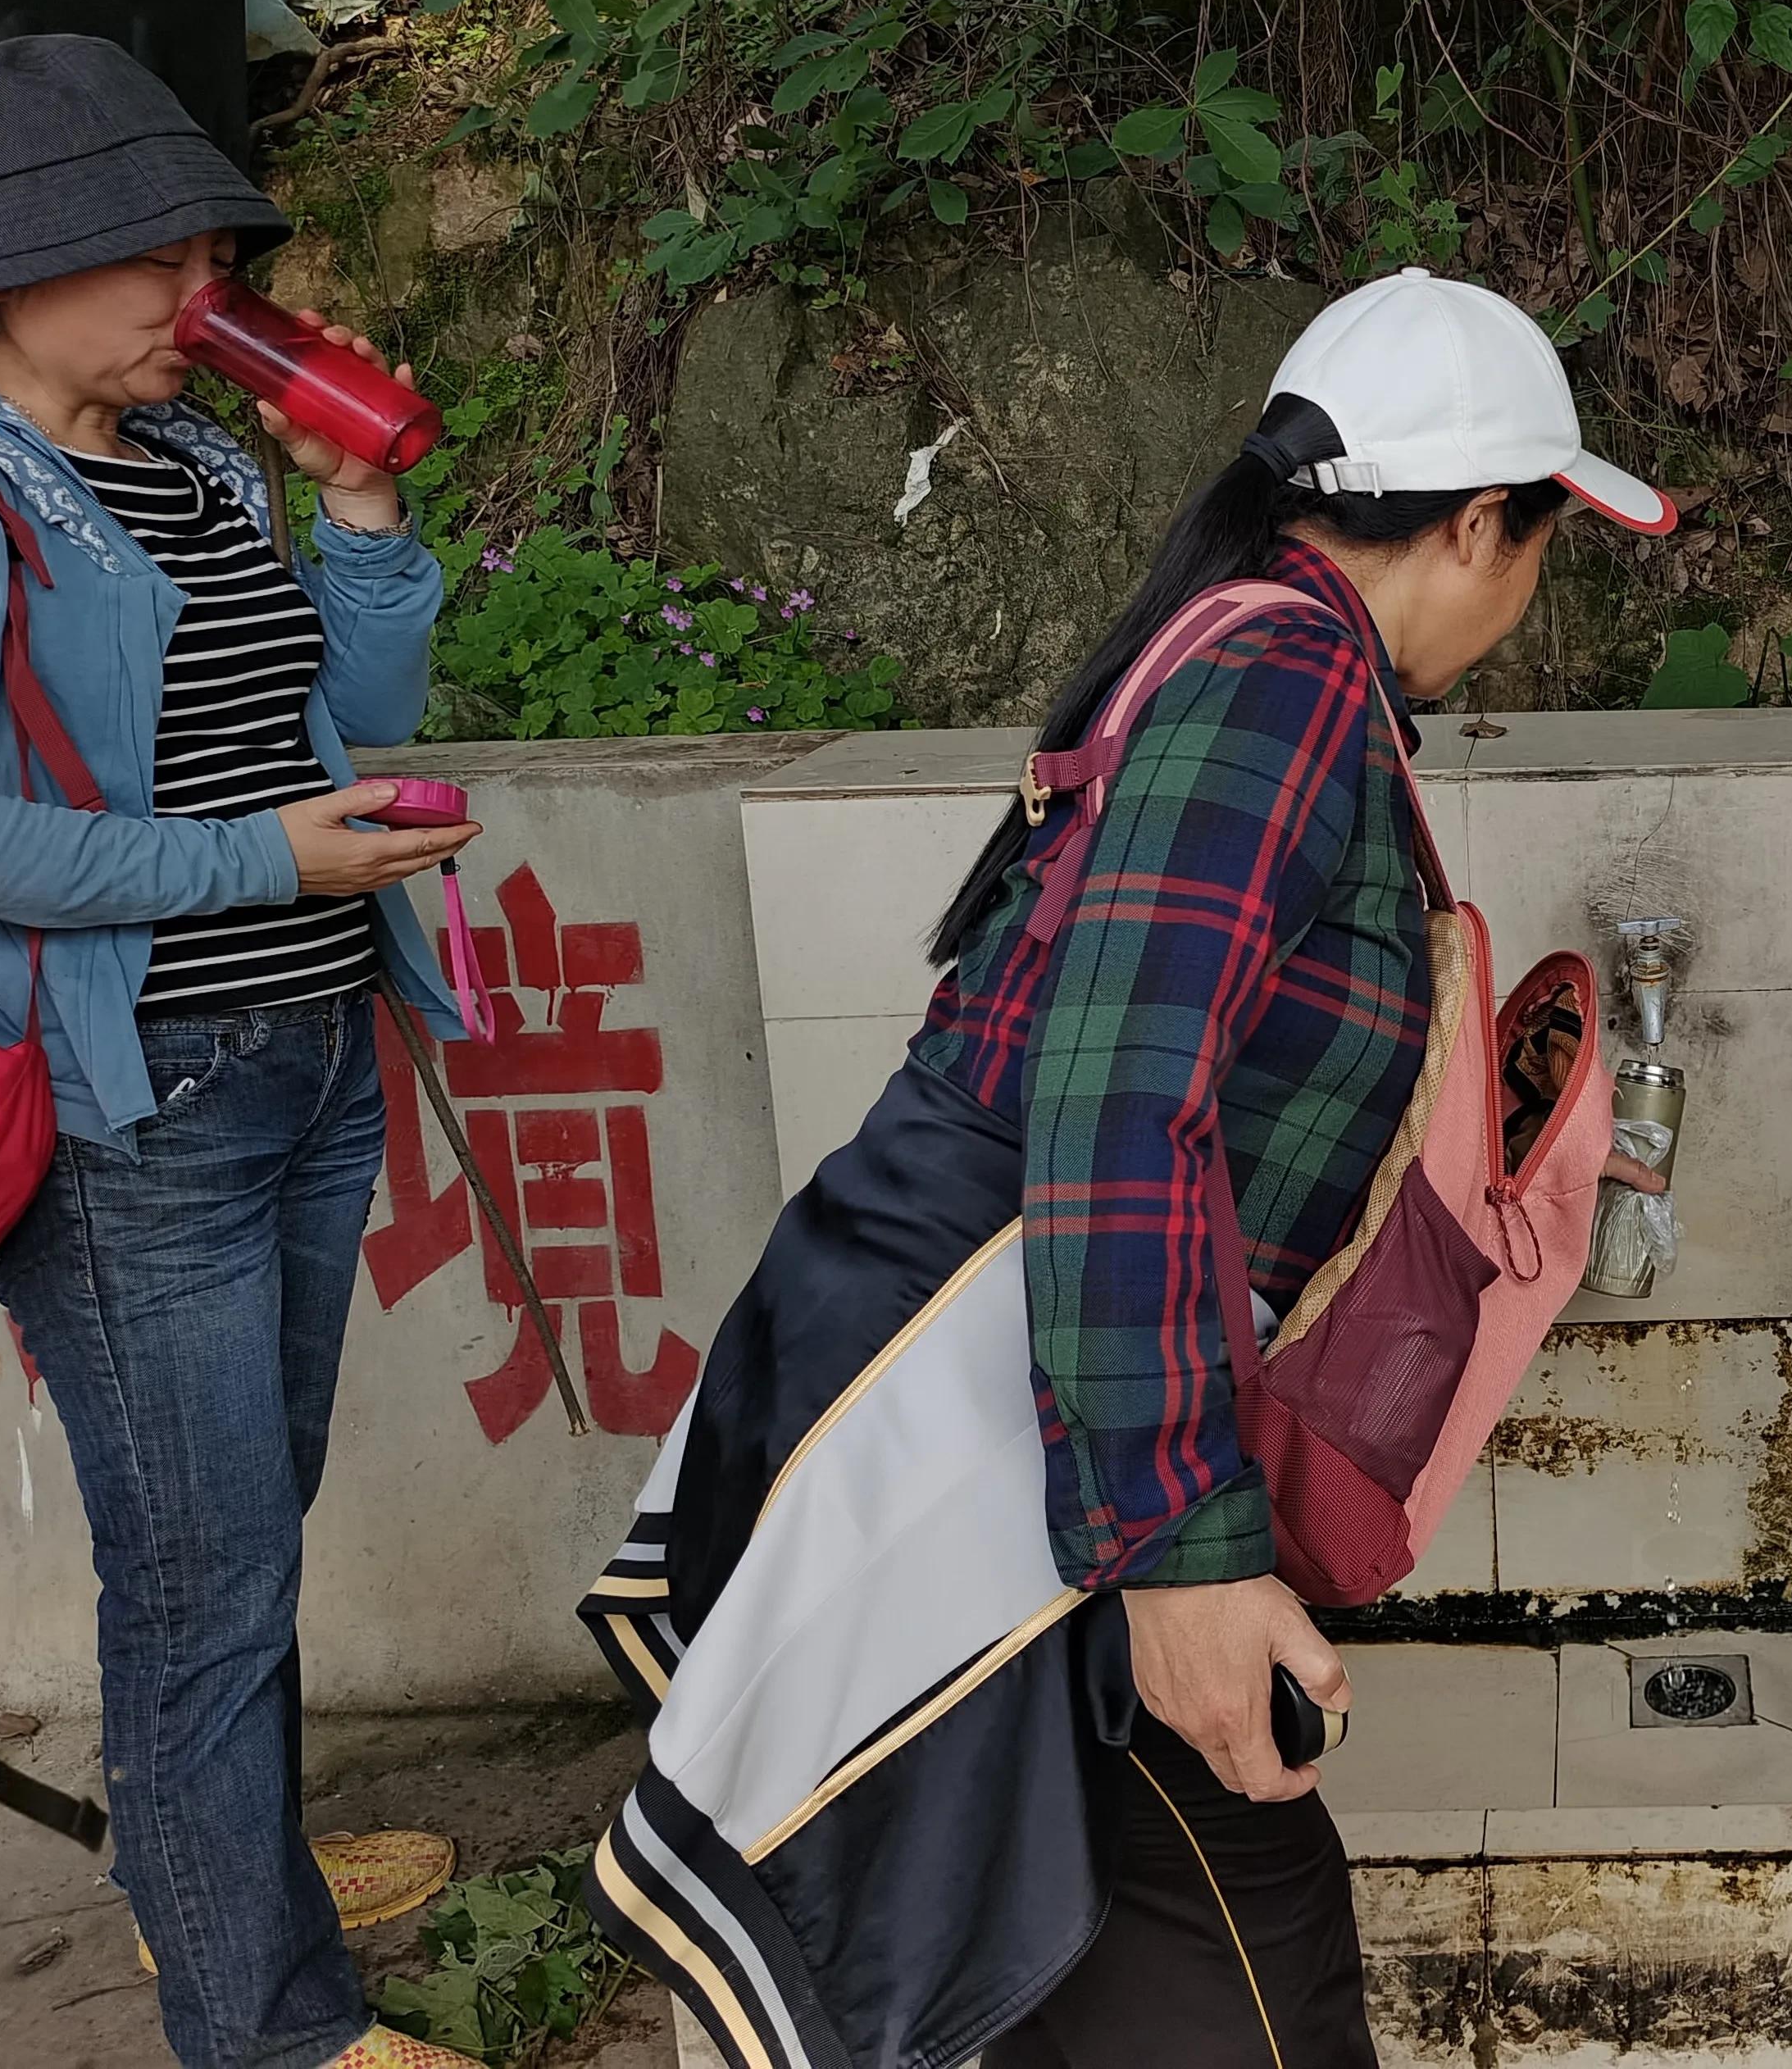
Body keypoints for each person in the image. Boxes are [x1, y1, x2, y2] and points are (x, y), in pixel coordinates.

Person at [575, 268, 1675, 2069]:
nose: (1531, 589)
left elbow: (1169, 1058)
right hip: (1013, 1443)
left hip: (1018, 1402)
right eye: (1545, 542)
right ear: (1483, 524)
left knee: (1058, 1987)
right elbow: (1112, 1108)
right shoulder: (1285, 683)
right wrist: (1177, 1557)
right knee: (1252, 1980)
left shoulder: (1258, 653)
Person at [0, 34, 482, 2069]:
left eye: (216, 252)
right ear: (5, 269)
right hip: (135, 1107)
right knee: (206, 1576)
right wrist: (257, 861)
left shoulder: (189, 462)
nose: (209, 291)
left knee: (243, 1528)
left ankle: (210, 1861)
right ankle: (267, 2025)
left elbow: (353, 701)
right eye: (156, 254)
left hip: (311, 1050)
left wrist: (357, 504)